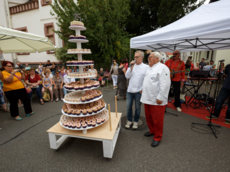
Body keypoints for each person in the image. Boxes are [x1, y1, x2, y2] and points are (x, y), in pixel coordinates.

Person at [141, 52, 170, 147]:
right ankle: (152, 130)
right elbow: (148, 81)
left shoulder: (163, 67)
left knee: (157, 119)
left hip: (156, 99)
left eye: (150, 57)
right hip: (147, 98)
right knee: (149, 117)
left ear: (157, 58)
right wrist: (143, 89)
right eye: (148, 57)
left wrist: (161, 97)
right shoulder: (149, 68)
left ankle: (157, 137)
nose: (148, 58)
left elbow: (165, 84)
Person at [125, 50, 148, 129]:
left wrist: (143, 89)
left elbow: (147, 79)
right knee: (128, 107)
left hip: (139, 91)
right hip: (130, 90)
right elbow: (127, 76)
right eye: (134, 57)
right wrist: (131, 67)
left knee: (137, 107)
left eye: (137, 57)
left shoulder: (146, 67)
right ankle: (129, 120)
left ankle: (136, 121)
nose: (135, 58)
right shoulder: (132, 66)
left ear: (141, 57)